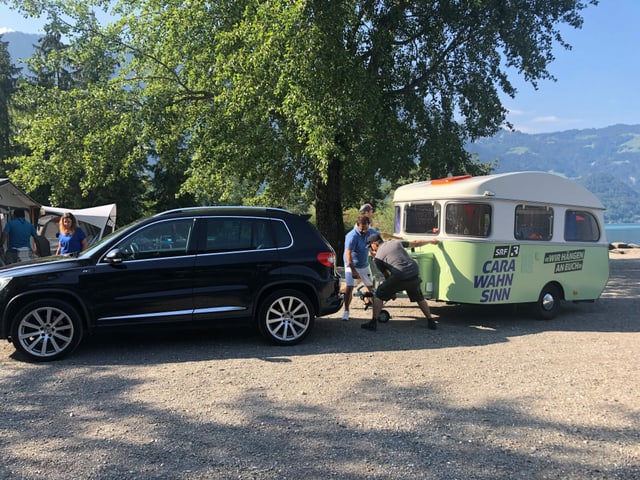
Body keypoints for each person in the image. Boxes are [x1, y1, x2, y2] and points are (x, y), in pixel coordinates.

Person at [362, 233, 439, 331]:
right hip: (414, 272)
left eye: (370, 246)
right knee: (419, 298)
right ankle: (431, 321)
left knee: (379, 293)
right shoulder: (395, 242)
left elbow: (387, 276)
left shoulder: (378, 258)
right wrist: (431, 241)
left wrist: (391, 292)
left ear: (375, 244)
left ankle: (373, 322)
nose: (371, 249)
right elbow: (415, 243)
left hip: (400, 276)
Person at [341, 215, 375, 321]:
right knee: (350, 287)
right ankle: (346, 311)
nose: (364, 231)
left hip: (364, 264)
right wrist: (353, 270)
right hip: (351, 264)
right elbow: (348, 255)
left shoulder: (370, 231)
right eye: (362, 229)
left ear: (368, 225)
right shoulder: (352, 236)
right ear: (358, 225)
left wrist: (373, 251)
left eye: (366, 228)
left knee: (371, 287)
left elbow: (378, 239)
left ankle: (376, 310)